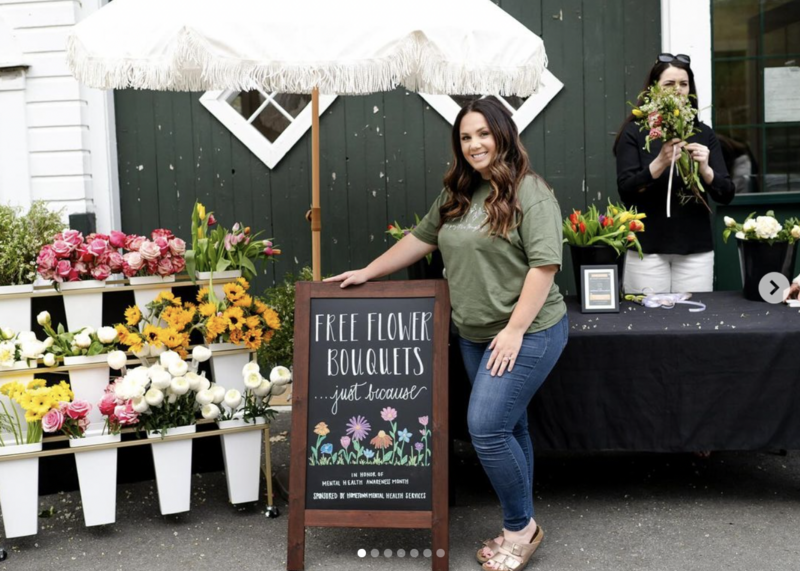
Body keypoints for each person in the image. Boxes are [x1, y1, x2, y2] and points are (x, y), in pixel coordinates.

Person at [325, 97, 568, 571]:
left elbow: (544, 266)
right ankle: (521, 521)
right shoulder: (460, 192)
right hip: (475, 333)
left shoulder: (531, 192)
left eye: (483, 134)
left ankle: (520, 529)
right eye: (465, 137)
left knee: (487, 430)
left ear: (503, 134)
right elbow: (421, 237)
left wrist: (515, 331)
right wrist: (368, 272)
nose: (475, 144)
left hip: (528, 331)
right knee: (510, 426)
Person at [614, 53, 735, 294]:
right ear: (653, 89)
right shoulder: (636, 132)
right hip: (647, 248)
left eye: (683, 84)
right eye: (669, 84)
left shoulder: (703, 133)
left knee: (694, 314)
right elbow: (626, 190)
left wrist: (706, 170)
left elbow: (726, 194)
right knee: (647, 315)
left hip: (695, 249)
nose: (677, 90)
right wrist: (659, 163)